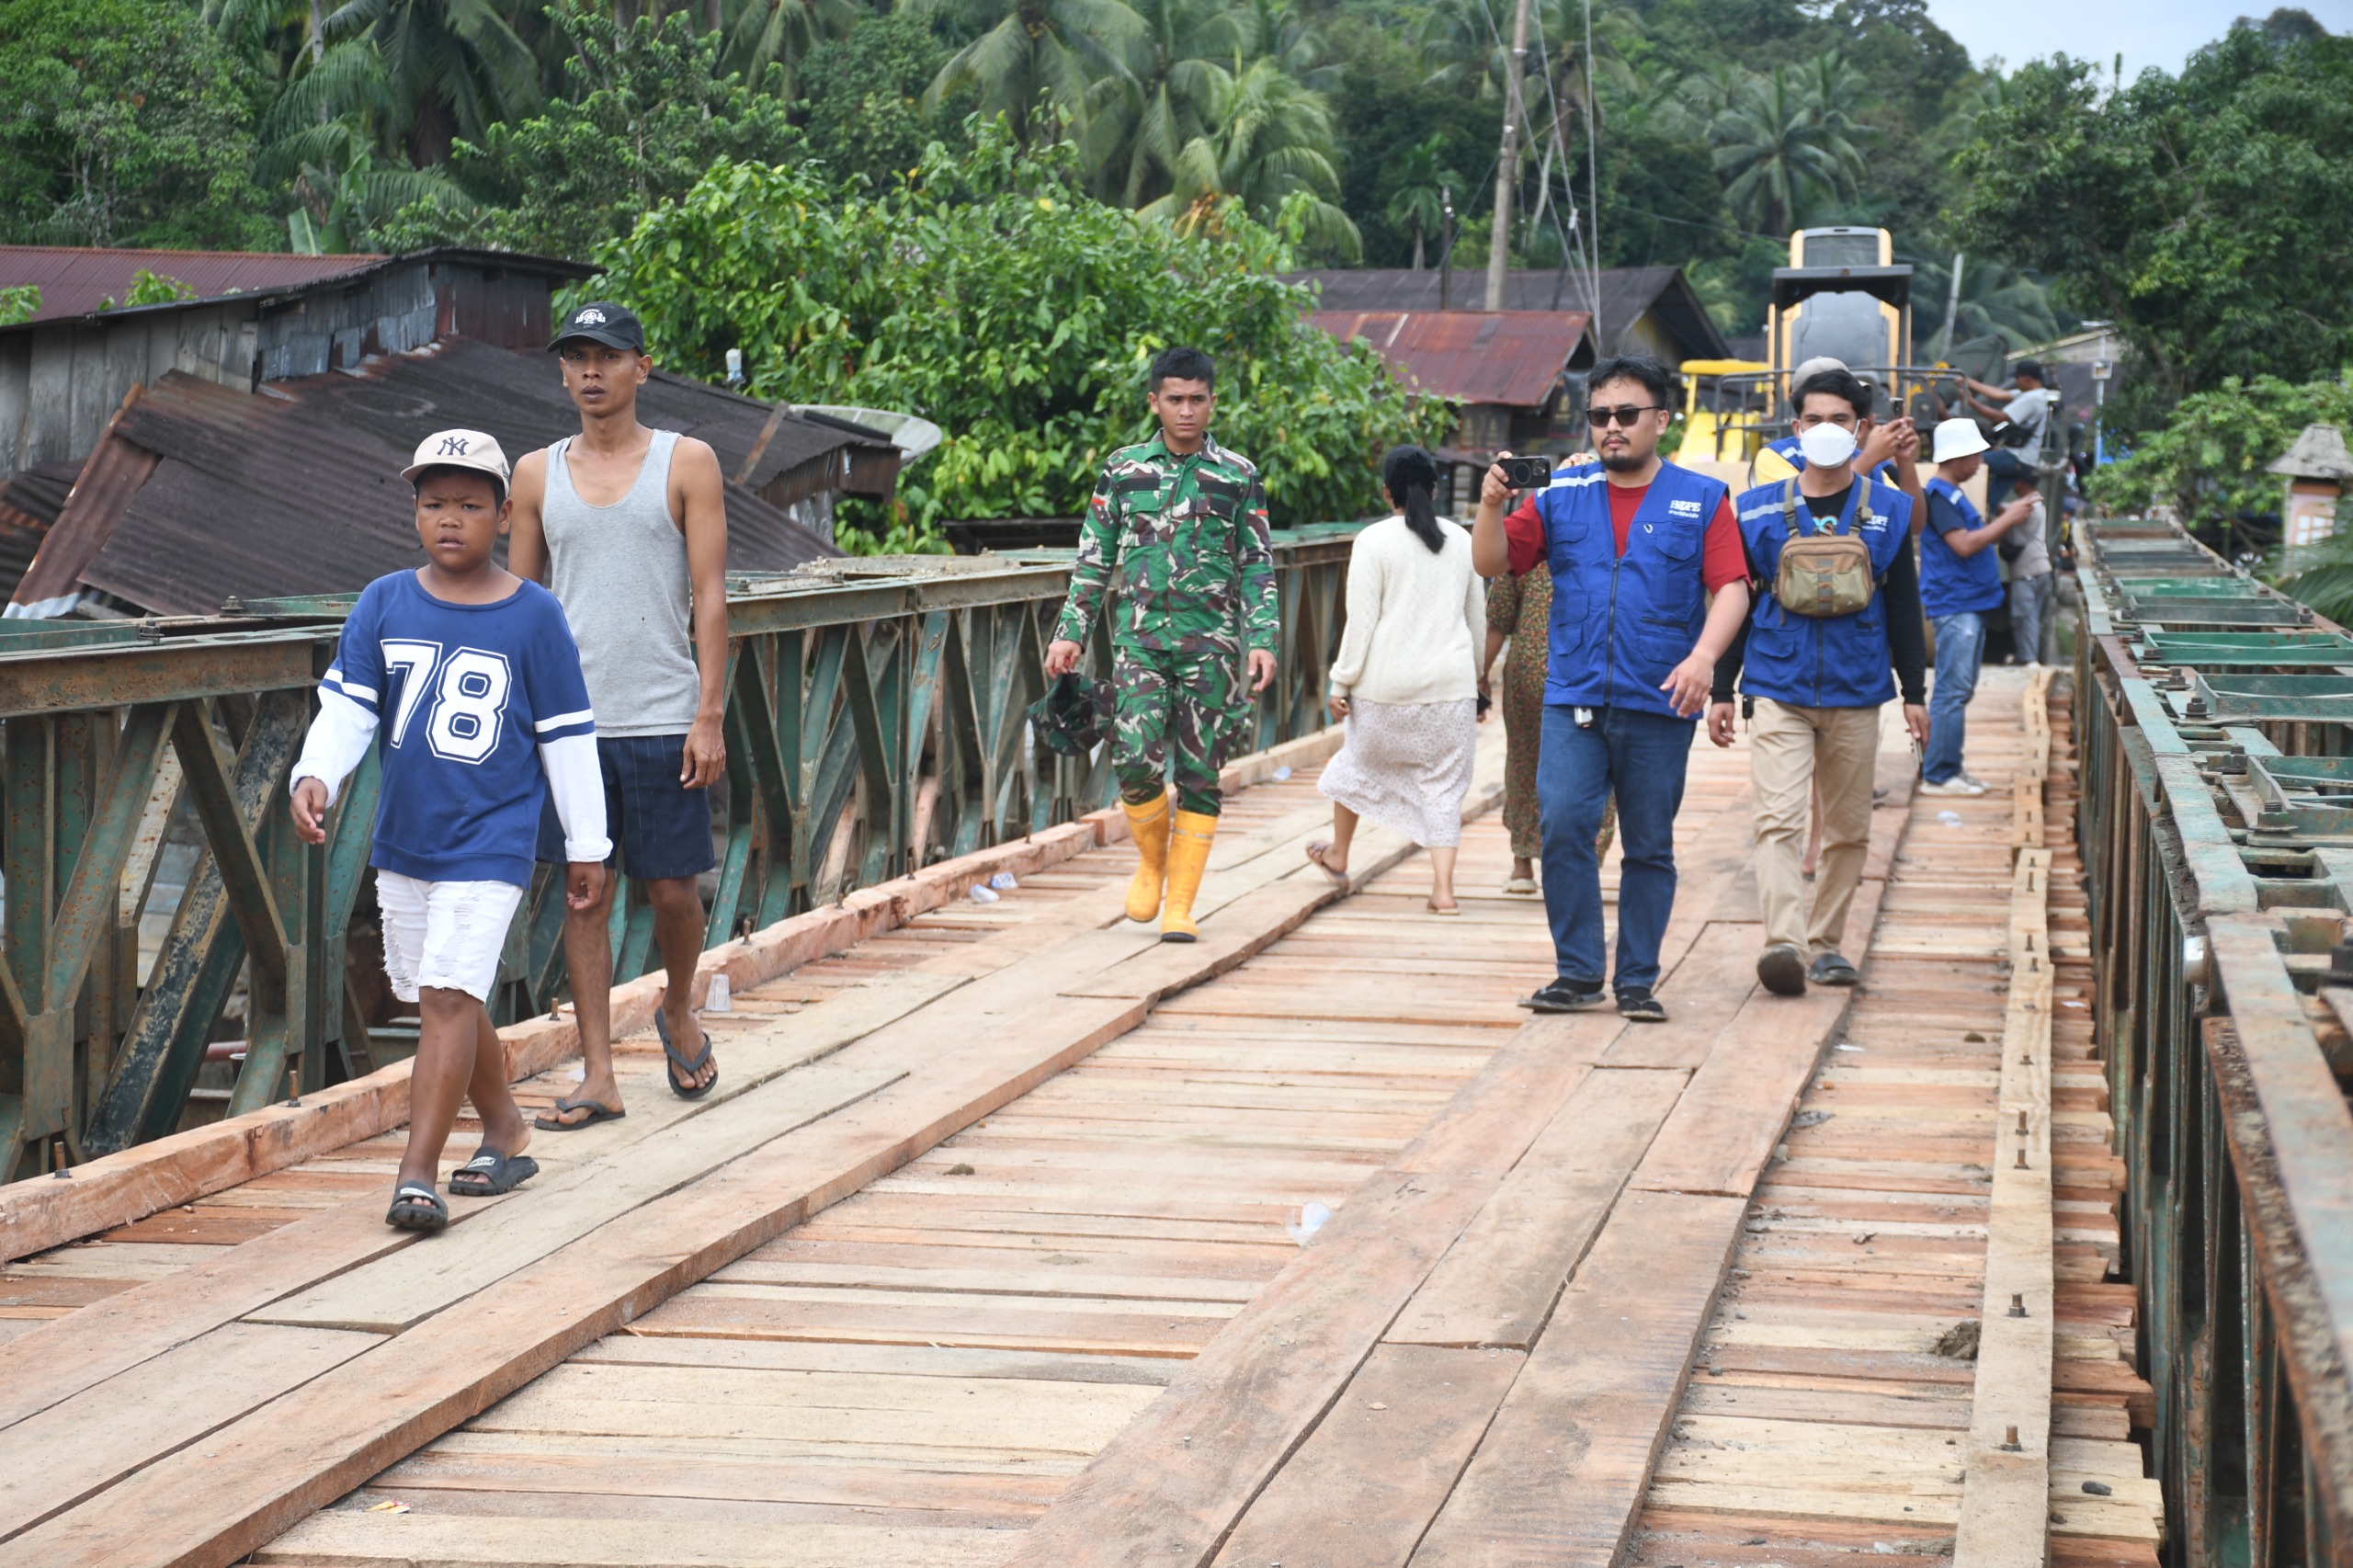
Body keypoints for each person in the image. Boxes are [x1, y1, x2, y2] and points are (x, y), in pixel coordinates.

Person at [289, 431, 610, 1233]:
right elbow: (350, 709)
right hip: (407, 837)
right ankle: (506, 1128)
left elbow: (568, 736)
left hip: (492, 837)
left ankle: (416, 1173)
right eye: (434, 504)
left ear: (504, 515)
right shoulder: (384, 602)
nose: (451, 520)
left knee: (445, 996)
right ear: (414, 511)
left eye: (470, 505)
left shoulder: (536, 617)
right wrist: (314, 773)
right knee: (444, 995)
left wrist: (587, 843)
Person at [1472, 354, 1752, 1023]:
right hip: (1574, 695)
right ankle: (1577, 972)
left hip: (1659, 699)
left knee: (1649, 841)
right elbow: (1490, 561)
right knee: (1564, 824)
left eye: (1627, 414)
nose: (1612, 429)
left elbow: (1734, 587)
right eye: (1600, 417)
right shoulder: (1560, 496)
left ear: (1662, 419)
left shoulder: (1701, 498)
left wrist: (1704, 659)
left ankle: (1636, 979)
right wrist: (1489, 505)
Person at [507, 301, 732, 1124]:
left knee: (673, 891)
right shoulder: (535, 475)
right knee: (584, 892)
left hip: (663, 713)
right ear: (562, 371)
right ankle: (599, 1073)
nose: (591, 372)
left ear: (643, 366)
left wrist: (708, 714)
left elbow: (710, 595)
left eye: (607, 356)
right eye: (576, 357)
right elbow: (522, 605)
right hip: (570, 723)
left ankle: (678, 1005)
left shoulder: (687, 462)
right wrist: (521, 722)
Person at [1044, 346, 1278, 942]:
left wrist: (1264, 637)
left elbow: (1256, 563)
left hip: (1213, 644)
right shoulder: (1123, 472)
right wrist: (1071, 630)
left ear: (1212, 401)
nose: (1186, 411)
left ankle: (1181, 905)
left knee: (1202, 772)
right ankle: (1152, 861)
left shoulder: (1238, 475)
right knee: (1133, 756)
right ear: (1155, 401)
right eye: (1175, 399)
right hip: (1141, 641)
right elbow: (1093, 561)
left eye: (1197, 399)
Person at [1710, 369, 1927, 996]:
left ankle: (1828, 942)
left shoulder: (1890, 508)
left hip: (1859, 690)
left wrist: (1914, 694)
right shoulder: (1752, 511)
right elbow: (1735, 601)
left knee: (1849, 827)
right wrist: (1724, 690)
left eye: (1840, 420)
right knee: (1777, 820)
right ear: (1795, 429)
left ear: (1861, 428)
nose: (1825, 430)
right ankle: (1784, 942)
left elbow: (1904, 607)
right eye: (1813, 420)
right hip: (1778, 685)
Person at [1305, 446, 1486, 913]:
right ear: (1434, 489)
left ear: (1388, 493)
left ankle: (1340, 852)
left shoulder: (1372, 541)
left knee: (1354, 766)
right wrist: (1480, 682)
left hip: (1384, 693)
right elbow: (1476, 619)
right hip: (1450, 691)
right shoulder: (1462, 541)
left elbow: (1359, 622)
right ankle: (1443, 890)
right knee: (1444, 789)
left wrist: (1340, 682)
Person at [1487, 460, 1617, 896]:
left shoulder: (1532, 534)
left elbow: (1500, 616)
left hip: (1528, 670)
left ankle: (1523, 865)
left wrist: (1479, 676)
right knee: (1600, 769)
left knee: (1525, 762)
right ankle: (1585, 862)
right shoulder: (1612, 536)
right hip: (1593, 670)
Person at [1917, 417, 2037, 797]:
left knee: (1960, 689)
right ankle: (1938, 774)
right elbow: (1965, 545)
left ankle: (1949, 766)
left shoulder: (1951, 494)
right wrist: (2009, 520)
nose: (1982, 461)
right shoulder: (1939, 495)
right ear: (1957, 457)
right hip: (1956, 604)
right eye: (1976, 453)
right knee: (1952, 690)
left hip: (1967, 602)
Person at [1962, 359, 2055, 509]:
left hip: (2016, 458)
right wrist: (1967, 381)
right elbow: (1999, 394)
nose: (2015, 381)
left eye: (2017, 378)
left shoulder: (2032, 398)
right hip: (2023, 461)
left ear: (2027, 378)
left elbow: (2000, 417)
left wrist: (1971, 402)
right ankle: (1986, 523)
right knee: (1988, 503)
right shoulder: (2035, 394)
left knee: (1971, 461)